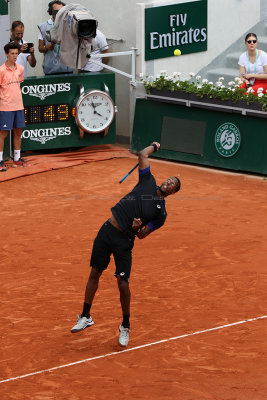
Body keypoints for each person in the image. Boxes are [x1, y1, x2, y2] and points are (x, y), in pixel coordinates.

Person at [70, 142, 181, 346]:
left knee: (123, 284)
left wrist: (138, 228)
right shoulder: (147, 179)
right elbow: (142, 154)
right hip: (107, 230)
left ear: (172, 193)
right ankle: (85, 316)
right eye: (170, 179)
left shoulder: (160, 214)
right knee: (95, 272)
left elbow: (142, 235)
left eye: (173, 184)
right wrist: (155, 146)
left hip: (124, 241)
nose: (169, 183)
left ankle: (125, 325)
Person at [0, 42, 27, 172]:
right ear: (6, 54)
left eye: (16, 53)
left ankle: (17, 159)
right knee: (3, 134)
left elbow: (18, 85)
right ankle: (0, 161)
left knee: (18, 132)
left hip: (19, 106)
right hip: (5, 107)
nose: (15, 56)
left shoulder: (20, 68)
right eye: (12, 54)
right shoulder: (1, 71)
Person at [38, 1, 73, 75]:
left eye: (61, 11)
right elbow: (40, 48)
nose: (59, 13)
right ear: (51, 12)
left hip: (67, 69)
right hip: (50, 70)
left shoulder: (70, 25)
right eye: (57, 11)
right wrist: (46, 47)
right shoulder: (44, 27)